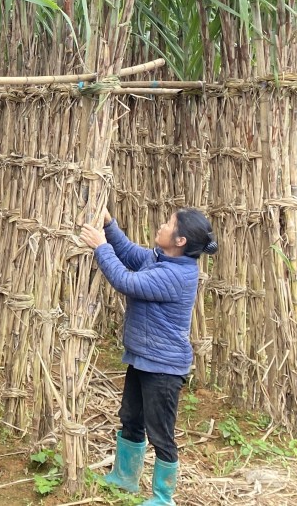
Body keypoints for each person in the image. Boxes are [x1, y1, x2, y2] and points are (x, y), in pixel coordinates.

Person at [79, 205, 218, 506]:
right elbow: (129, 254)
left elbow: (126, 281)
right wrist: (109, 224)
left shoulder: (177, 276)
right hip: (143, 358)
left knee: (161, 434)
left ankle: (163, 497)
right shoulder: (161, 260)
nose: (162, 225)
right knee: (131, 418)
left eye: (169, 224)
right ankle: (125, 478)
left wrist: (100, 247)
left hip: (164, 369)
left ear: (180, 241)